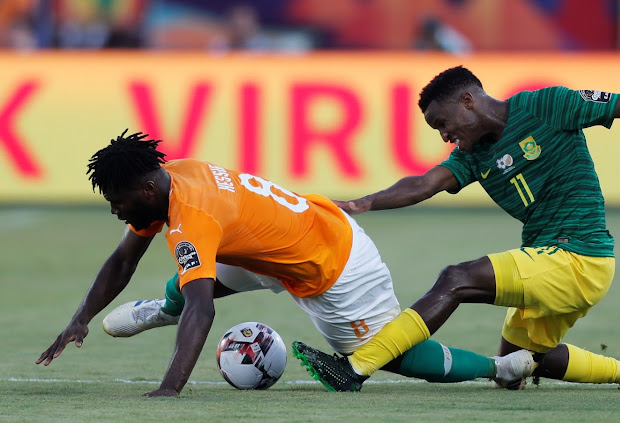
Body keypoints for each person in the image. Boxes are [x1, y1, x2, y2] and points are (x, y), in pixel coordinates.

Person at [291, 65, 620, 392]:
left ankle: (355, 369)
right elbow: (425, 184)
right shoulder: (473, 154)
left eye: (442, 123)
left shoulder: (545, 106)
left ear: (467, 100)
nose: (444, 136)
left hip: (578, 256)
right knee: (519, 365)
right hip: (559, 265)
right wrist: (360, 203)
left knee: (456, 278)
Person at [36, 130, 535, 396]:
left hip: (334, 263)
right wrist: (79, 317)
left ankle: (497, 368)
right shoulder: (170, 178)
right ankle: (162, 307)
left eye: (118, 200)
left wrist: (170, 388)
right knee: (197, 276)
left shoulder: (192, 216)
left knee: (390, 354)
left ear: (146, 188)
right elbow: (124, 259)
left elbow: (204, 311)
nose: (115, 210)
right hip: (269, 247)